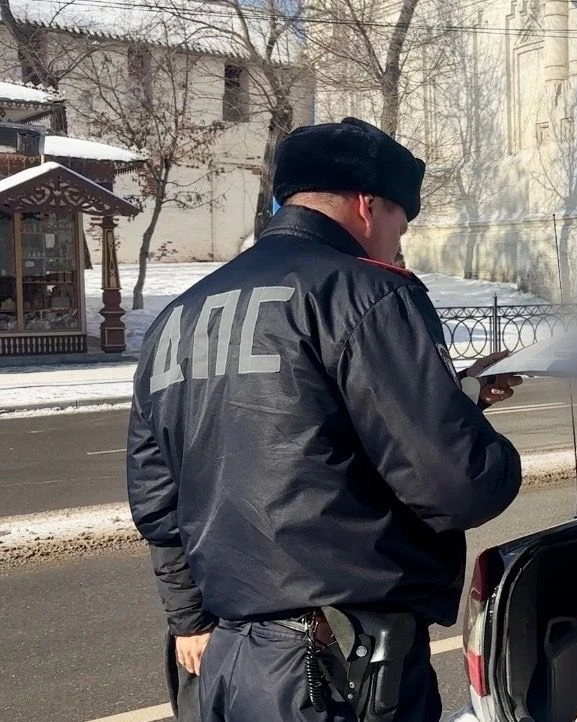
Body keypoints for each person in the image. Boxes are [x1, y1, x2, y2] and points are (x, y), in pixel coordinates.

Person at [127, 116, 523, 721]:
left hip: (228, 661)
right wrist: (479, 442)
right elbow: (458, 485)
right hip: (339, 667)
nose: (396, 243)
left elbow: (158, 497)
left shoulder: (180, 314)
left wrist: (189, 620)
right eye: (400, 224)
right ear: (369, 204)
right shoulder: (366, 292)